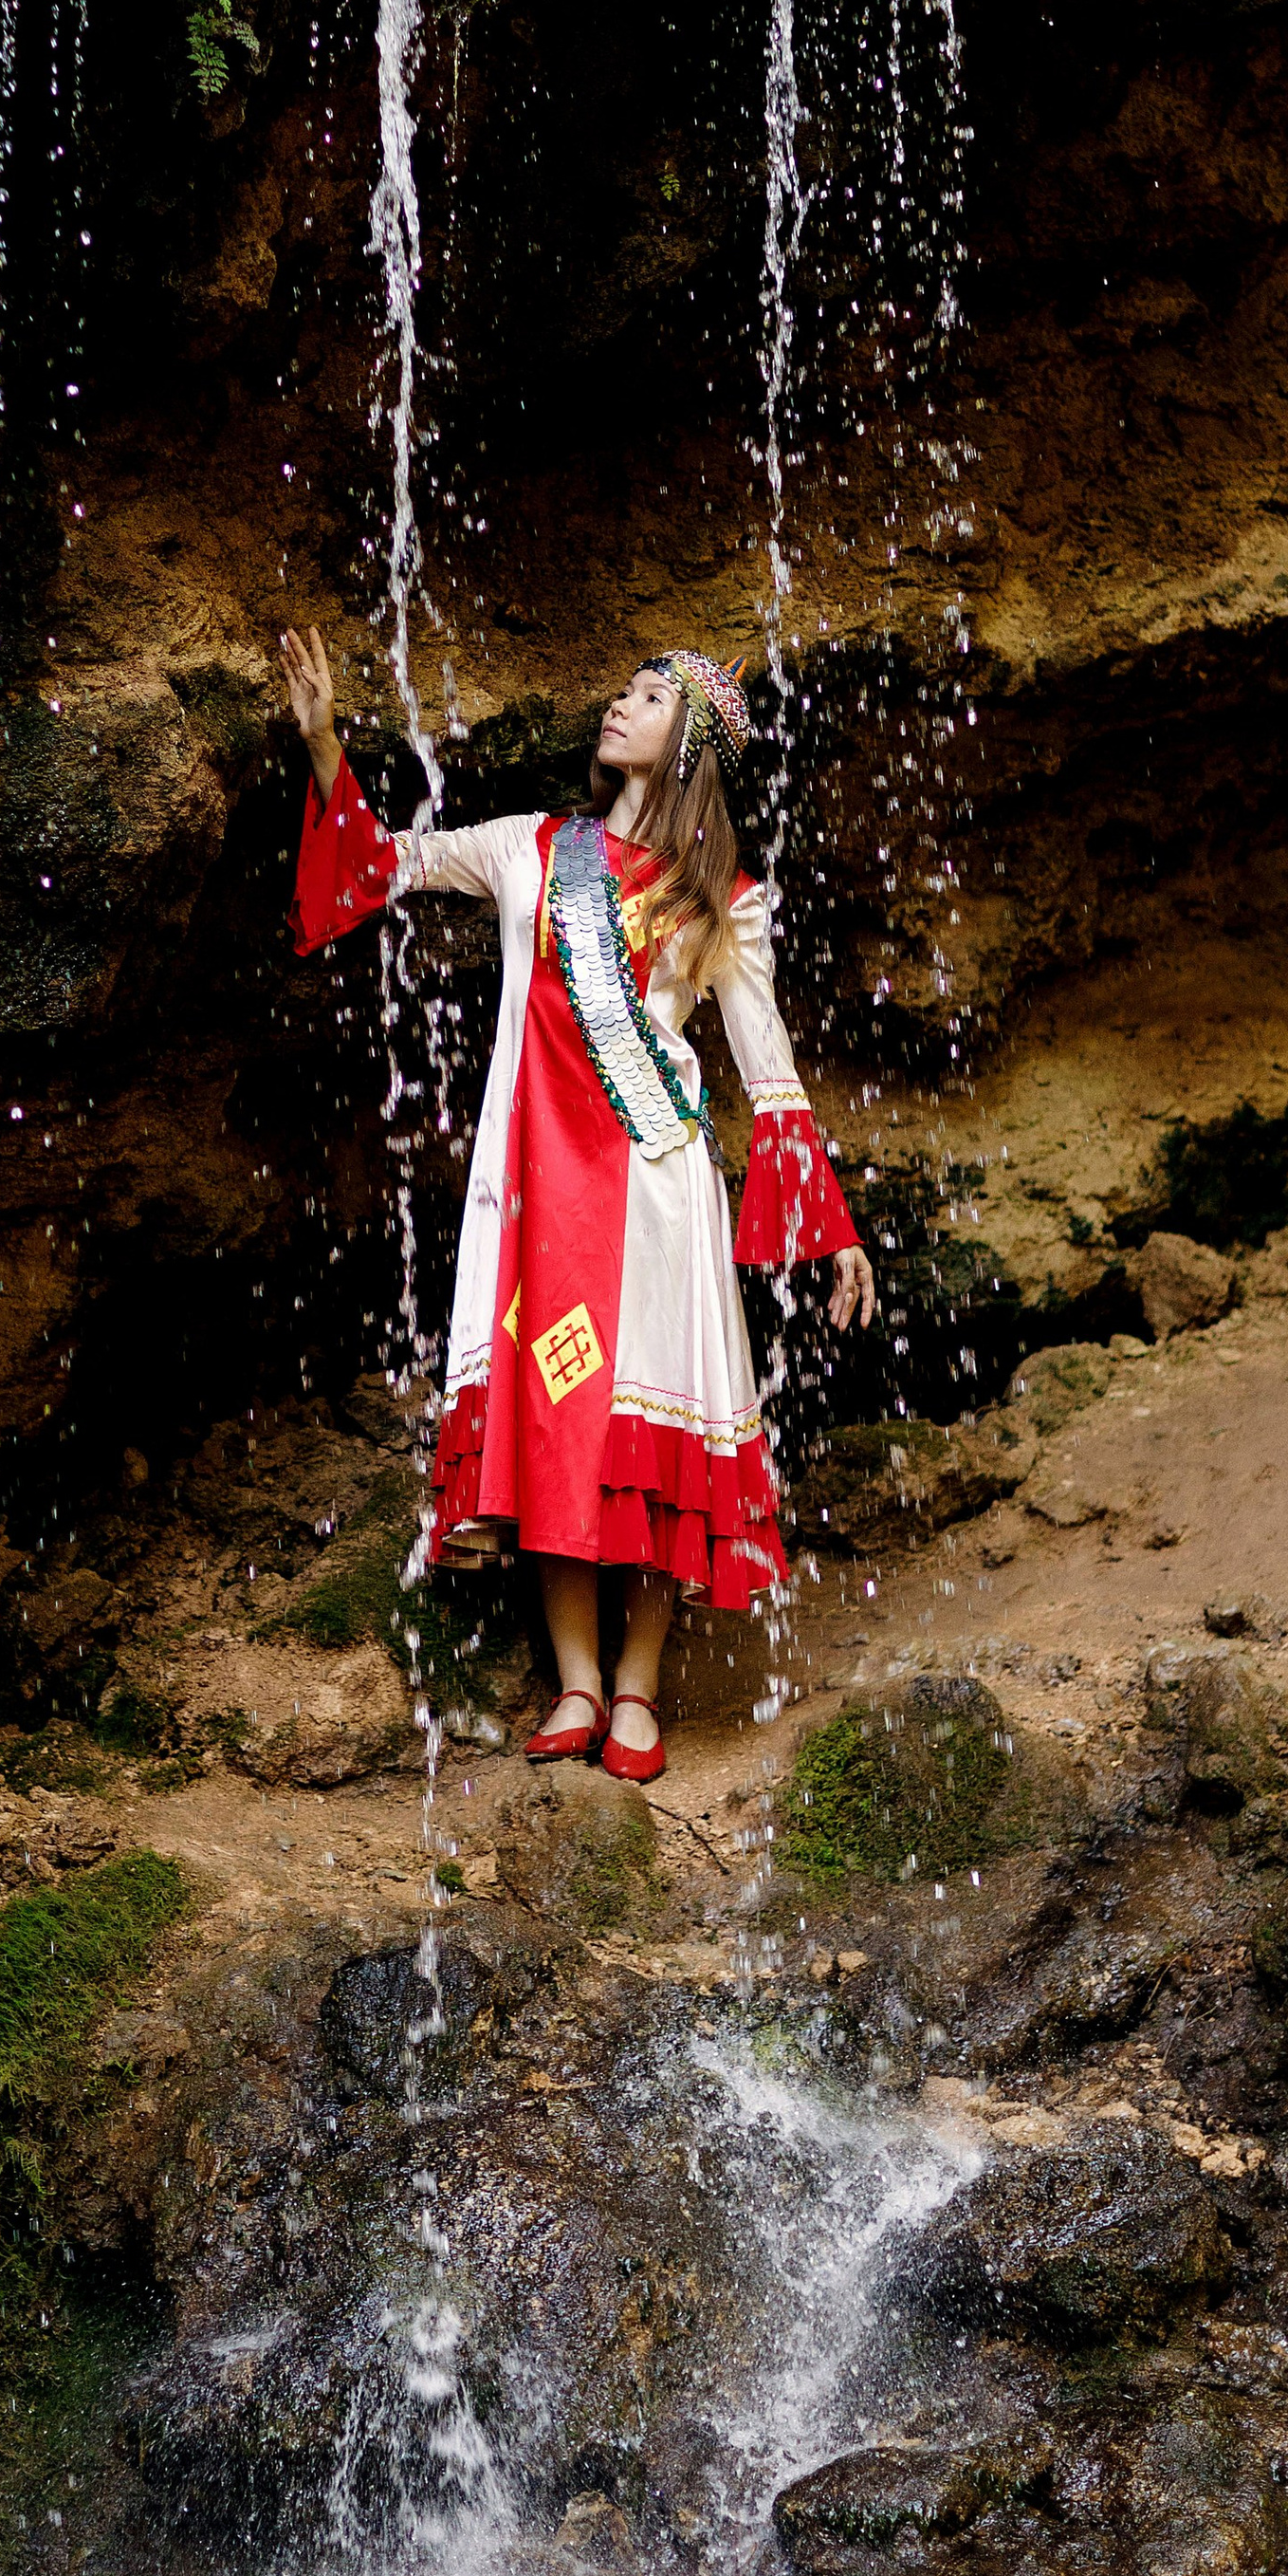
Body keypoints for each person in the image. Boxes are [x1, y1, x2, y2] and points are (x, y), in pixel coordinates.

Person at [281, 626, 875, 1785]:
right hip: (536, 1190)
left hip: (657, 1188)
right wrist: (320, 743)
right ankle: (575, 1682)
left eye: (645, 695)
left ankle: (640, 1686)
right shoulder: (530, 849)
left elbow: (767, 1067)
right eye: (621, 683)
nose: (617, 703)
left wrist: (830, 1228)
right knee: (555, 1425)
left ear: (688, 742)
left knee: (638, 1441)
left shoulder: (723, 903)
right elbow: (377, 865)